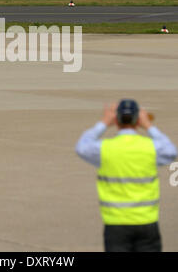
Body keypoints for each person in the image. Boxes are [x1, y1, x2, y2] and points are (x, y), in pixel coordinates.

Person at [76, 99, 177, 252]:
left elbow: (82, 147)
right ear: (138, 121)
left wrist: (104, 122)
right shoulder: (149, 147)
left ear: (116, 120)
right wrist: (149, 126)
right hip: (147, 221)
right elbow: (170, 151)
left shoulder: (106, 149)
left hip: (116, 223)